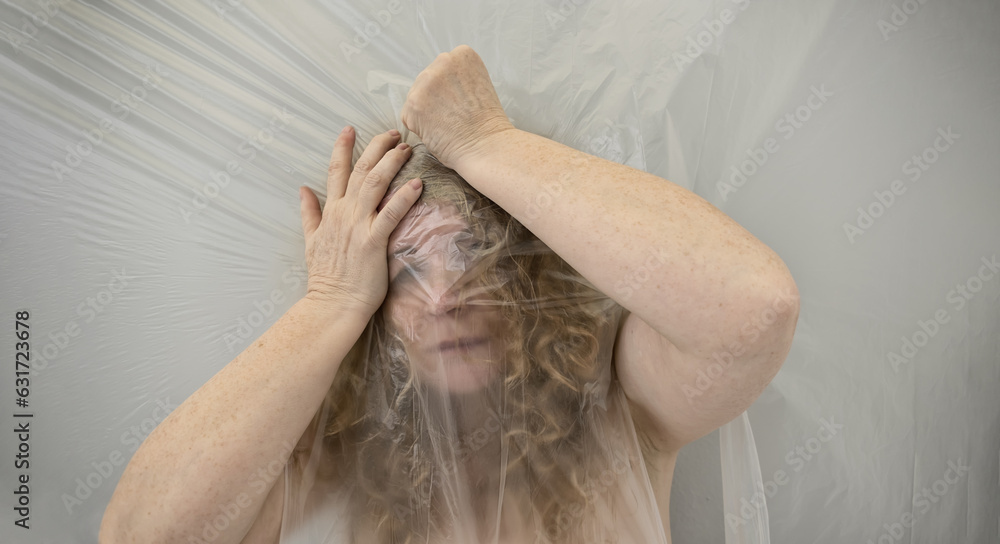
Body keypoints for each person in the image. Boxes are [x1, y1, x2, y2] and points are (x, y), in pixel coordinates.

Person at [99, 45, 799, 544]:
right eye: (401, 273)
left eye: (473, 256)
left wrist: (484, 141)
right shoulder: (321, 463)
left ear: (531, 274)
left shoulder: (622, 412)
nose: (441, 299)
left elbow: (753, 306)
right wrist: (329, 303)